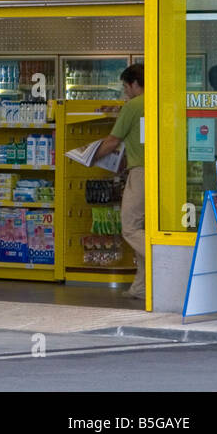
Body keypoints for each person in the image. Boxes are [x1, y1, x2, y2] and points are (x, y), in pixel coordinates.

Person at [93, 63, 146, 300]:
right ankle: (141, 287)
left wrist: (89, 156)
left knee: (131, 227)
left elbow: (113, 142)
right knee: (145, 228)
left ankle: (167, 262)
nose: (126, 92)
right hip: (161, 173)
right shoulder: (159, 100)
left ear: (135, 84)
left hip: (141, 173)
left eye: (126, 86)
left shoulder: (134, 105)